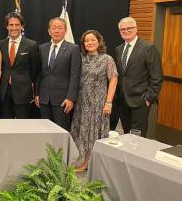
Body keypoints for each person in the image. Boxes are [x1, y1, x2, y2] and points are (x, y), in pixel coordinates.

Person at [71, 30, 118, 173]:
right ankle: (83, 159)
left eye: (93, 40)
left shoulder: (107, 59)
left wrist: (108, 102)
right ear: (83, 44)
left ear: (99, 42)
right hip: (81, 102)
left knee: (93, 133)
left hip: (97, 104)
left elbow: (114, 79)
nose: (90, 43)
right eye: (87, 41)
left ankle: (88, 163)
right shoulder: (80, 58)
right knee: (80, 132)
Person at [113, 17, 163, 137]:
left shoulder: (148, 48)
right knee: (126, 134)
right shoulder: (118, 49)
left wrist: (148, 98)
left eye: (129, 28)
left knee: (138, 137)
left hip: (140, 101)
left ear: (136, 29)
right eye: (122, 29)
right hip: (122, 101)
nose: (126, 31)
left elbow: (157, 77)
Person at [35, 17, 81, 131]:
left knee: (61, 131)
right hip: (44, 98)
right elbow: (39, 73)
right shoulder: (42, 48)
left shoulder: (73, 49)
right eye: (54, 28)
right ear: (49, 31)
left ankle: (61, 150)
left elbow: (75, 75)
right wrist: (36, 94)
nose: (56, 31)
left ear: (65, 30)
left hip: (63, 99)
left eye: (60, 28)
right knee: (45, 130)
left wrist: (70, 98)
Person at [0, 12, 39, 119]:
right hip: (4, 92)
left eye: (17, 25)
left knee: (23, 127)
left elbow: (35, 70)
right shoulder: (0, 45)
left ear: (22, 26)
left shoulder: (31, 45)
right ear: (7, 26)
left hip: (23, 92)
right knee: (6, 126)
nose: (14, 28)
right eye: (11, 25)